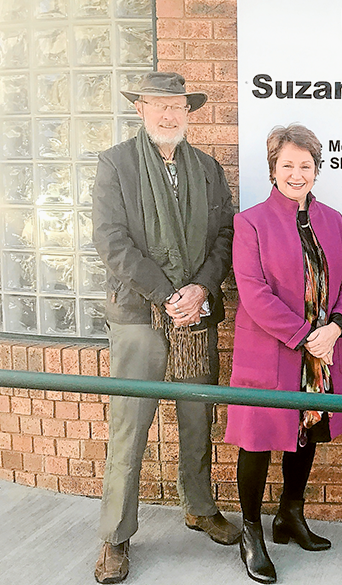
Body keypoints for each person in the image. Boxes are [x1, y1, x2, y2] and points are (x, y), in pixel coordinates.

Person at [92, 71, 238, 584]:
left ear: (188, 111)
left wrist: (200, 289)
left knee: (197, 417)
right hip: (139, 316)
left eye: (177, 106)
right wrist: (167, 293)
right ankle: (114, 536)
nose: (169, 115)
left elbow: (225, 235)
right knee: (129, 427)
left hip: (196, 316)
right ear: (141, 109)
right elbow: (111, 241)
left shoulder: (207, 169)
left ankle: (199, 507)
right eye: (158, 105)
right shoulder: (117, 164)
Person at [225, 124, 342, 584]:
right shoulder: (251, 222)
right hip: (271, 352)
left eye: (306, 165)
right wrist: (307, 335)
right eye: (288, 165)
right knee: (258, 440)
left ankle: (290, 515)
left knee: (307, 432)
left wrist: (336, 328)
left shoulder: (333, 220)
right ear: (273, 171)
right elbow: (254, 293)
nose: (297, 173)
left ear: (317, 170)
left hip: (320, 353)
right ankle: (251, 532)